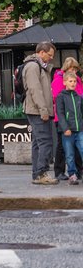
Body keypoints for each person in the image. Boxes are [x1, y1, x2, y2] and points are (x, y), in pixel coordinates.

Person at [23, 42, 57, 185]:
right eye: (49, 55)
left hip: (36, 109)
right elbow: (35, 90)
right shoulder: (33, 67)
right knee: (45, 142)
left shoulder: (38, 66)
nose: (50, 58)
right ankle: (41, 173)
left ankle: (37, 174)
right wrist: (44, 110)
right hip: (37, 110)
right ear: (42, 52)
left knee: (38, 143)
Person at [52, 57, 83, 179]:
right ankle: (60, 171)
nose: (74, 71)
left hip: (77, 119)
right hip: (63, 120)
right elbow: (58, 100)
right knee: (63, 147)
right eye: (71, 68)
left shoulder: (77, 80)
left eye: (75, 69)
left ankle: (78, 171)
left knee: (77, 148)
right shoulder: (59, 80)